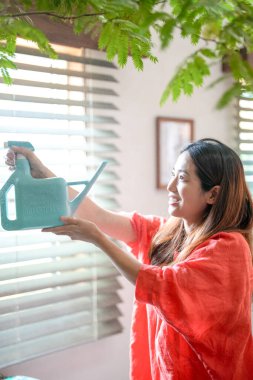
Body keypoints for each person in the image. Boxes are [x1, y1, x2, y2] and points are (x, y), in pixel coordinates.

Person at [6, 138, 253, 380]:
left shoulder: (228, 249)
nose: (170, 187)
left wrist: (99, 240)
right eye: (172, 174)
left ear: (213, 194)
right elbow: (98, 216)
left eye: (182, 178)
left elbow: (161, 284)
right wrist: (43, 173)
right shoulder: (170, 233)